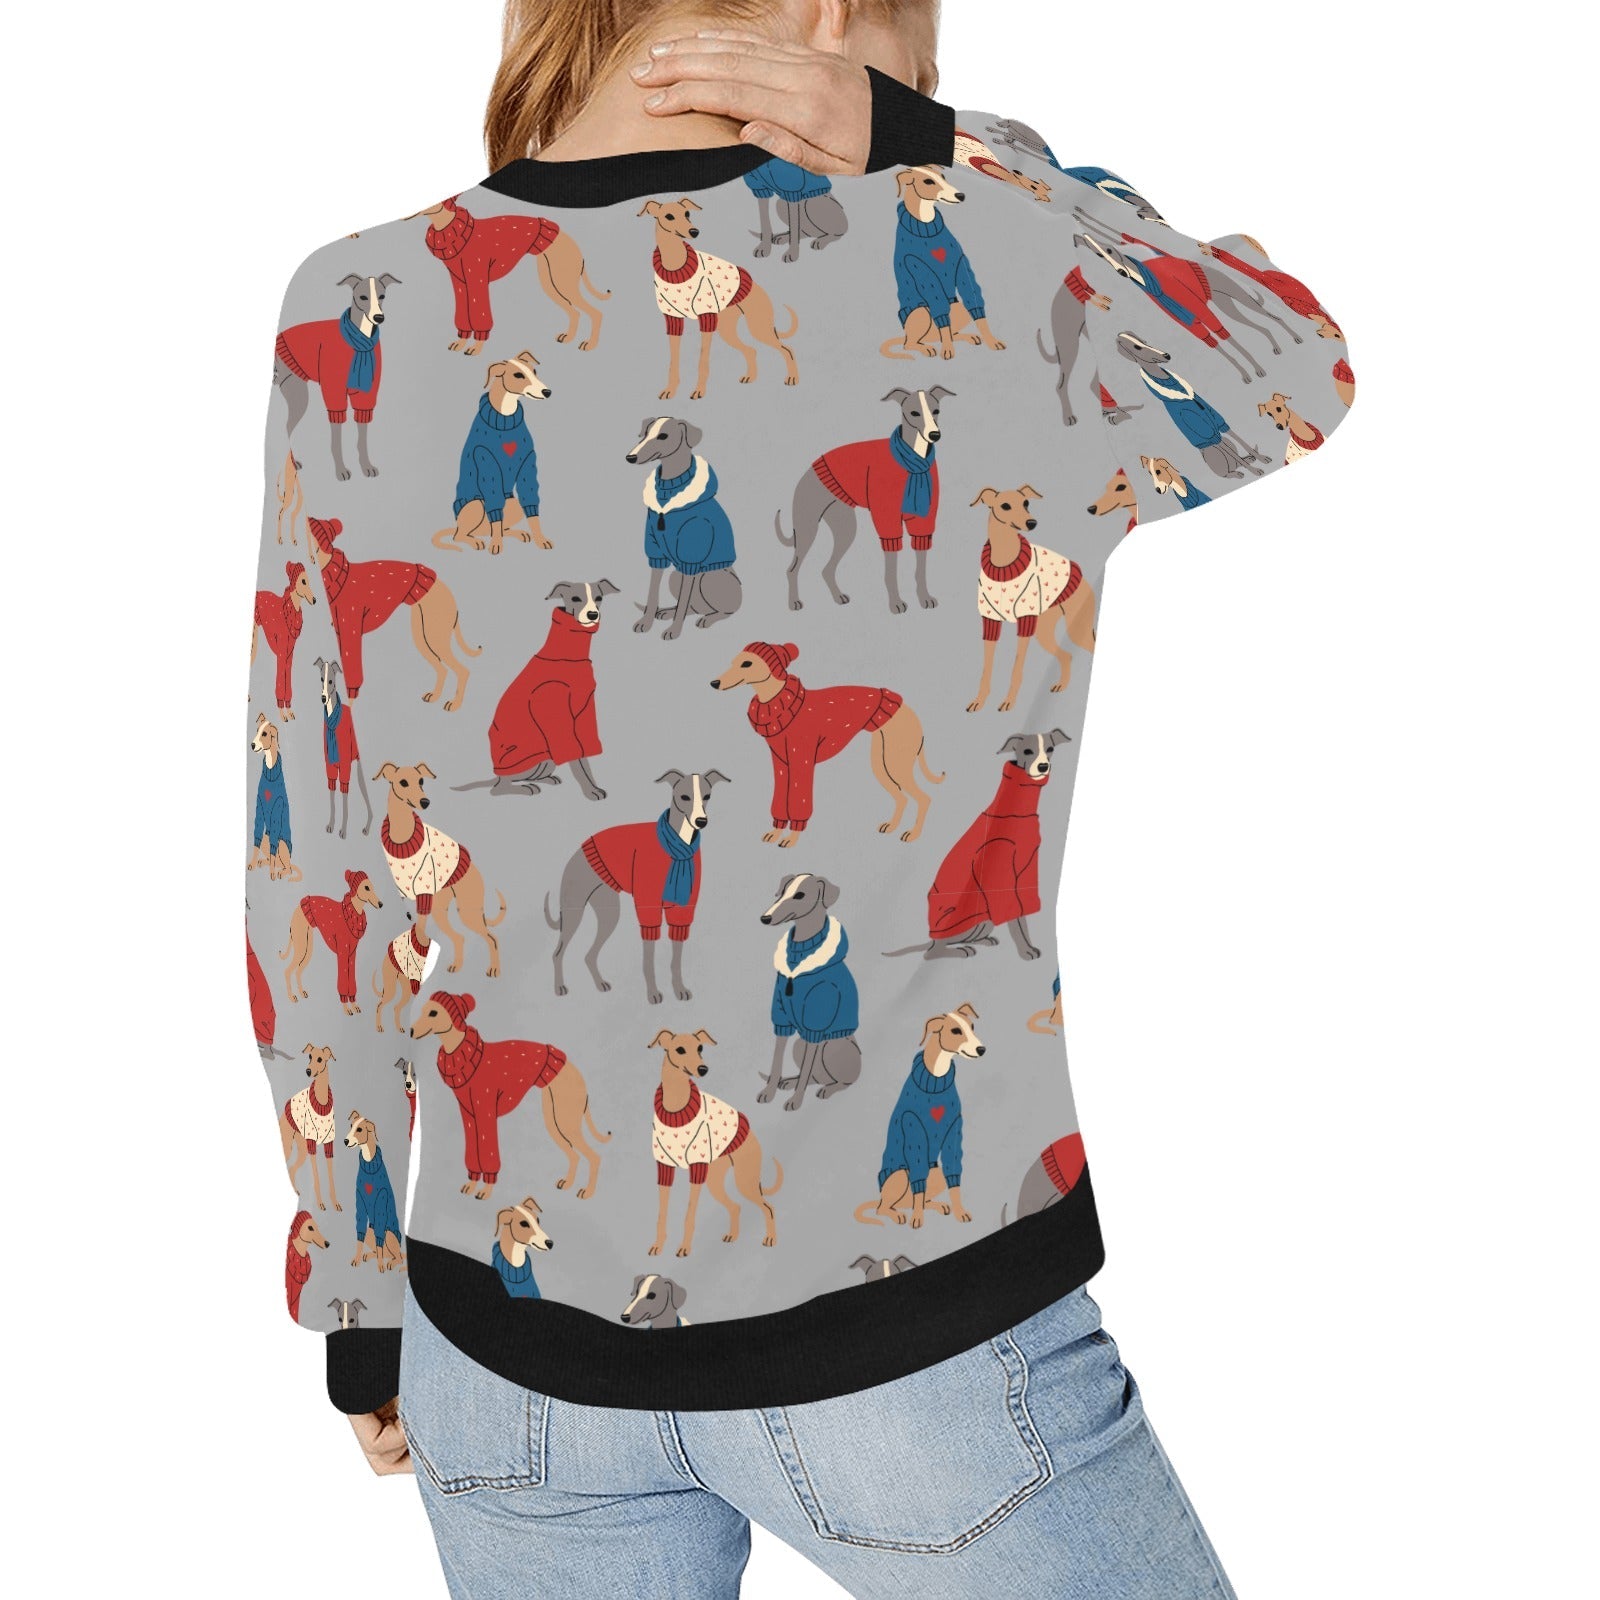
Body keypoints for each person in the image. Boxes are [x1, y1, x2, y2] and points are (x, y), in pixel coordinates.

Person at [243, 2, 1354, 1593]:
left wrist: (353, 1291)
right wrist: (944, 149)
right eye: (930, 49)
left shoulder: (355, 299)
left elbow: (312, 837)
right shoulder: (974, 239)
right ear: (840, 15)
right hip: (920, 1349)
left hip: (498, 1364)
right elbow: (1293, 366)